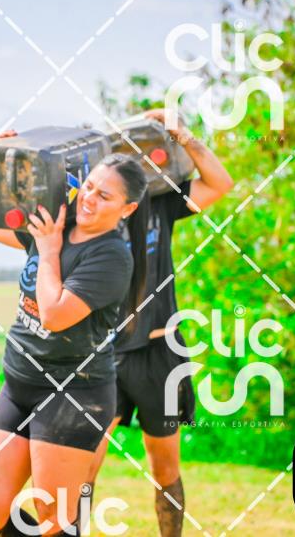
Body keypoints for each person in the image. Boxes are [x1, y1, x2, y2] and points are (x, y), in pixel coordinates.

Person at [0, 150, 150, 536]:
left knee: (52, 519)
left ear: (128, 209)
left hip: (73, 395)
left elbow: (54, 315)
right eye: (89, 186)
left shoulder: (112, 257)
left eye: (105, 196)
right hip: (20, 383)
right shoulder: (58, 222)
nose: (89, 198)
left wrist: (49, 251)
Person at [87, 109, 234, 537]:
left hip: (159, 353)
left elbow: (220, 184)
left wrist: (181, 135)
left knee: (165, 469)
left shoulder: (160, 203)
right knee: (83, 463)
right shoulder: (89, 207)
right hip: (103, 353)